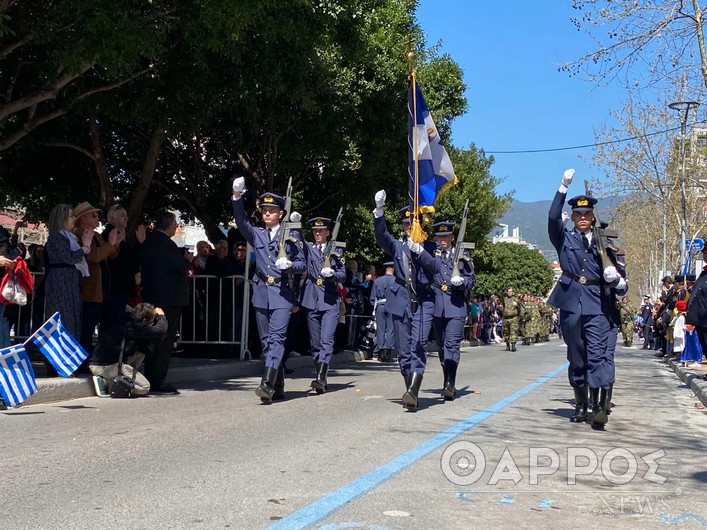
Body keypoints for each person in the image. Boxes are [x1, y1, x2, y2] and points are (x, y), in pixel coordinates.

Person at [547, 168, 627, 429]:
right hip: (570, 303)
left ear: (593, 217)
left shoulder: (606, 242)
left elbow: (620, 281)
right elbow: (551, 218)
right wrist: (562, 187)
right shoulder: (564, 238)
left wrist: (617, 279)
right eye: (578, 214)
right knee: (577, 356)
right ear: (573, 217)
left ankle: (597, 407)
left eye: (587, 214)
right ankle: (580, 405)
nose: (582, 217)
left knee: (597, 356)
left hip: (597, 303)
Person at [230, 177, 305, 403]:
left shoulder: (292, 235)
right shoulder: (257, 234)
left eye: (272, 210)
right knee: (266, 342)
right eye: (264, 210)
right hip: (262, 291)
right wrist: (236, 197)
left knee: (277, 338)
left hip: (282, 293)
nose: (267, 214)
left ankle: (266, 383)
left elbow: (303, 263)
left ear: (281, 213)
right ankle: (278, 385)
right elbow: (241, 221)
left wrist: (290, 266)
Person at [372, 190, 437, 411]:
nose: (410, 228)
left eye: (413, 223)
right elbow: (382, 237)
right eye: (407, 225)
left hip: (424, 298)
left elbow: (436, 268)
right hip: (401, 298)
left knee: (418, 344)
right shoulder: (398, 247)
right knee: (403, 349)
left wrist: (421, 252)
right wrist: (379, 212)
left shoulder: (430, 246)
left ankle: (414, 390)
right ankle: (410, 389)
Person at [140, 211, 194, 394]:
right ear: (170, 226)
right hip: (168, 299)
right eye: (175, 224)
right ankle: (157, 379)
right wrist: (187, 261)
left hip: (153, 296)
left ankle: (151, 376)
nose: (176, 227)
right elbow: (181, 267)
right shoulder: (166, 244)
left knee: (154, 338)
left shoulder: (150, 241)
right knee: (164, 338)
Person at [292, 215, 346, 393]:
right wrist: (297, 224)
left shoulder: (336, 249)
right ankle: (319, 373)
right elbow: (297, 239)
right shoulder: (308, 248)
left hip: (329, 299)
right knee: (315, 342)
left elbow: (343, 274)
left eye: (321, 230)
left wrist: (333, 275)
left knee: (326, 339)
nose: (318, 233)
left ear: (328, 232)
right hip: (311, 297)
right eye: (315, 231)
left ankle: (321, 377)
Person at [429, 221, 475, 400]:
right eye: (440, 237)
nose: (442, 240)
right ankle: (445, 380)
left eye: (446, 236)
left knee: (452, 345)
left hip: (455, 305)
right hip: (437, 305)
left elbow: (472, 280)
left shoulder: (462, 255)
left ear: (452, 237)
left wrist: (462, 282)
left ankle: (450, 383)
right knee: (441, 346)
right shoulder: (432, 255)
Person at [72, 201, 123, 355]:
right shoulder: (79, 234)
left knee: (96, 323)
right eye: (93, 215)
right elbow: (93, 256)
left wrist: (115, 244)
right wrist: (110, 244)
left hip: (100, 288)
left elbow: (110, 254)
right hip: (88, 289)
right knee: (86, 326)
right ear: (82, 219)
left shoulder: (97, 235)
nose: (97, 217)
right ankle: (83, 358)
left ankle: (94, 356)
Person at [89, 303, 168, 397]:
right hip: (105, 367)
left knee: (141, 353)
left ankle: (117, 378)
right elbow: (160, 330)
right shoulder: (135, 327)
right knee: (145, 387)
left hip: (99, 363)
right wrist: (161, 316)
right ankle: (108, 383)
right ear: (145, 320)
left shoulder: (126, 320)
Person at [44, 204, 94, 341]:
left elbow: (83, 258)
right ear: (62, 218)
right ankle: (58, 357)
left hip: (71, 282)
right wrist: (85, 247)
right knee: (63, 318)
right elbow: (69, 257)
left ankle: (70, 354)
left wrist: (85, 245)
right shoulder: (56, 237)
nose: (74, 218)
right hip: (61, 282)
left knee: (73, 317)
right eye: (71, 216)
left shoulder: (70, 237)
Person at [370, 261, 396, 362]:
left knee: (380, 329)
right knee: (390, 329)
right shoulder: (396, 281)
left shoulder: (377, 281)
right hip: (392, 306)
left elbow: (372, 298)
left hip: (380, 305)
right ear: (393, 269)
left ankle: (381, 353)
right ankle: (388, 353)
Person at [501, 287, 520, 351]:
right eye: (508, 291)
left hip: (513, 318)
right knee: (506, 332)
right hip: (506, 318)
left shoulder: (516, 300)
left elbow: (519, 308)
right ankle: (507, 345)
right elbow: (501, 296)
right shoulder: (504, 299)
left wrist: (518, 315)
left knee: (513, 332)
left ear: (513, 292)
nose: (509, 292)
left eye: (511, 291)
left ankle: (513, 346)